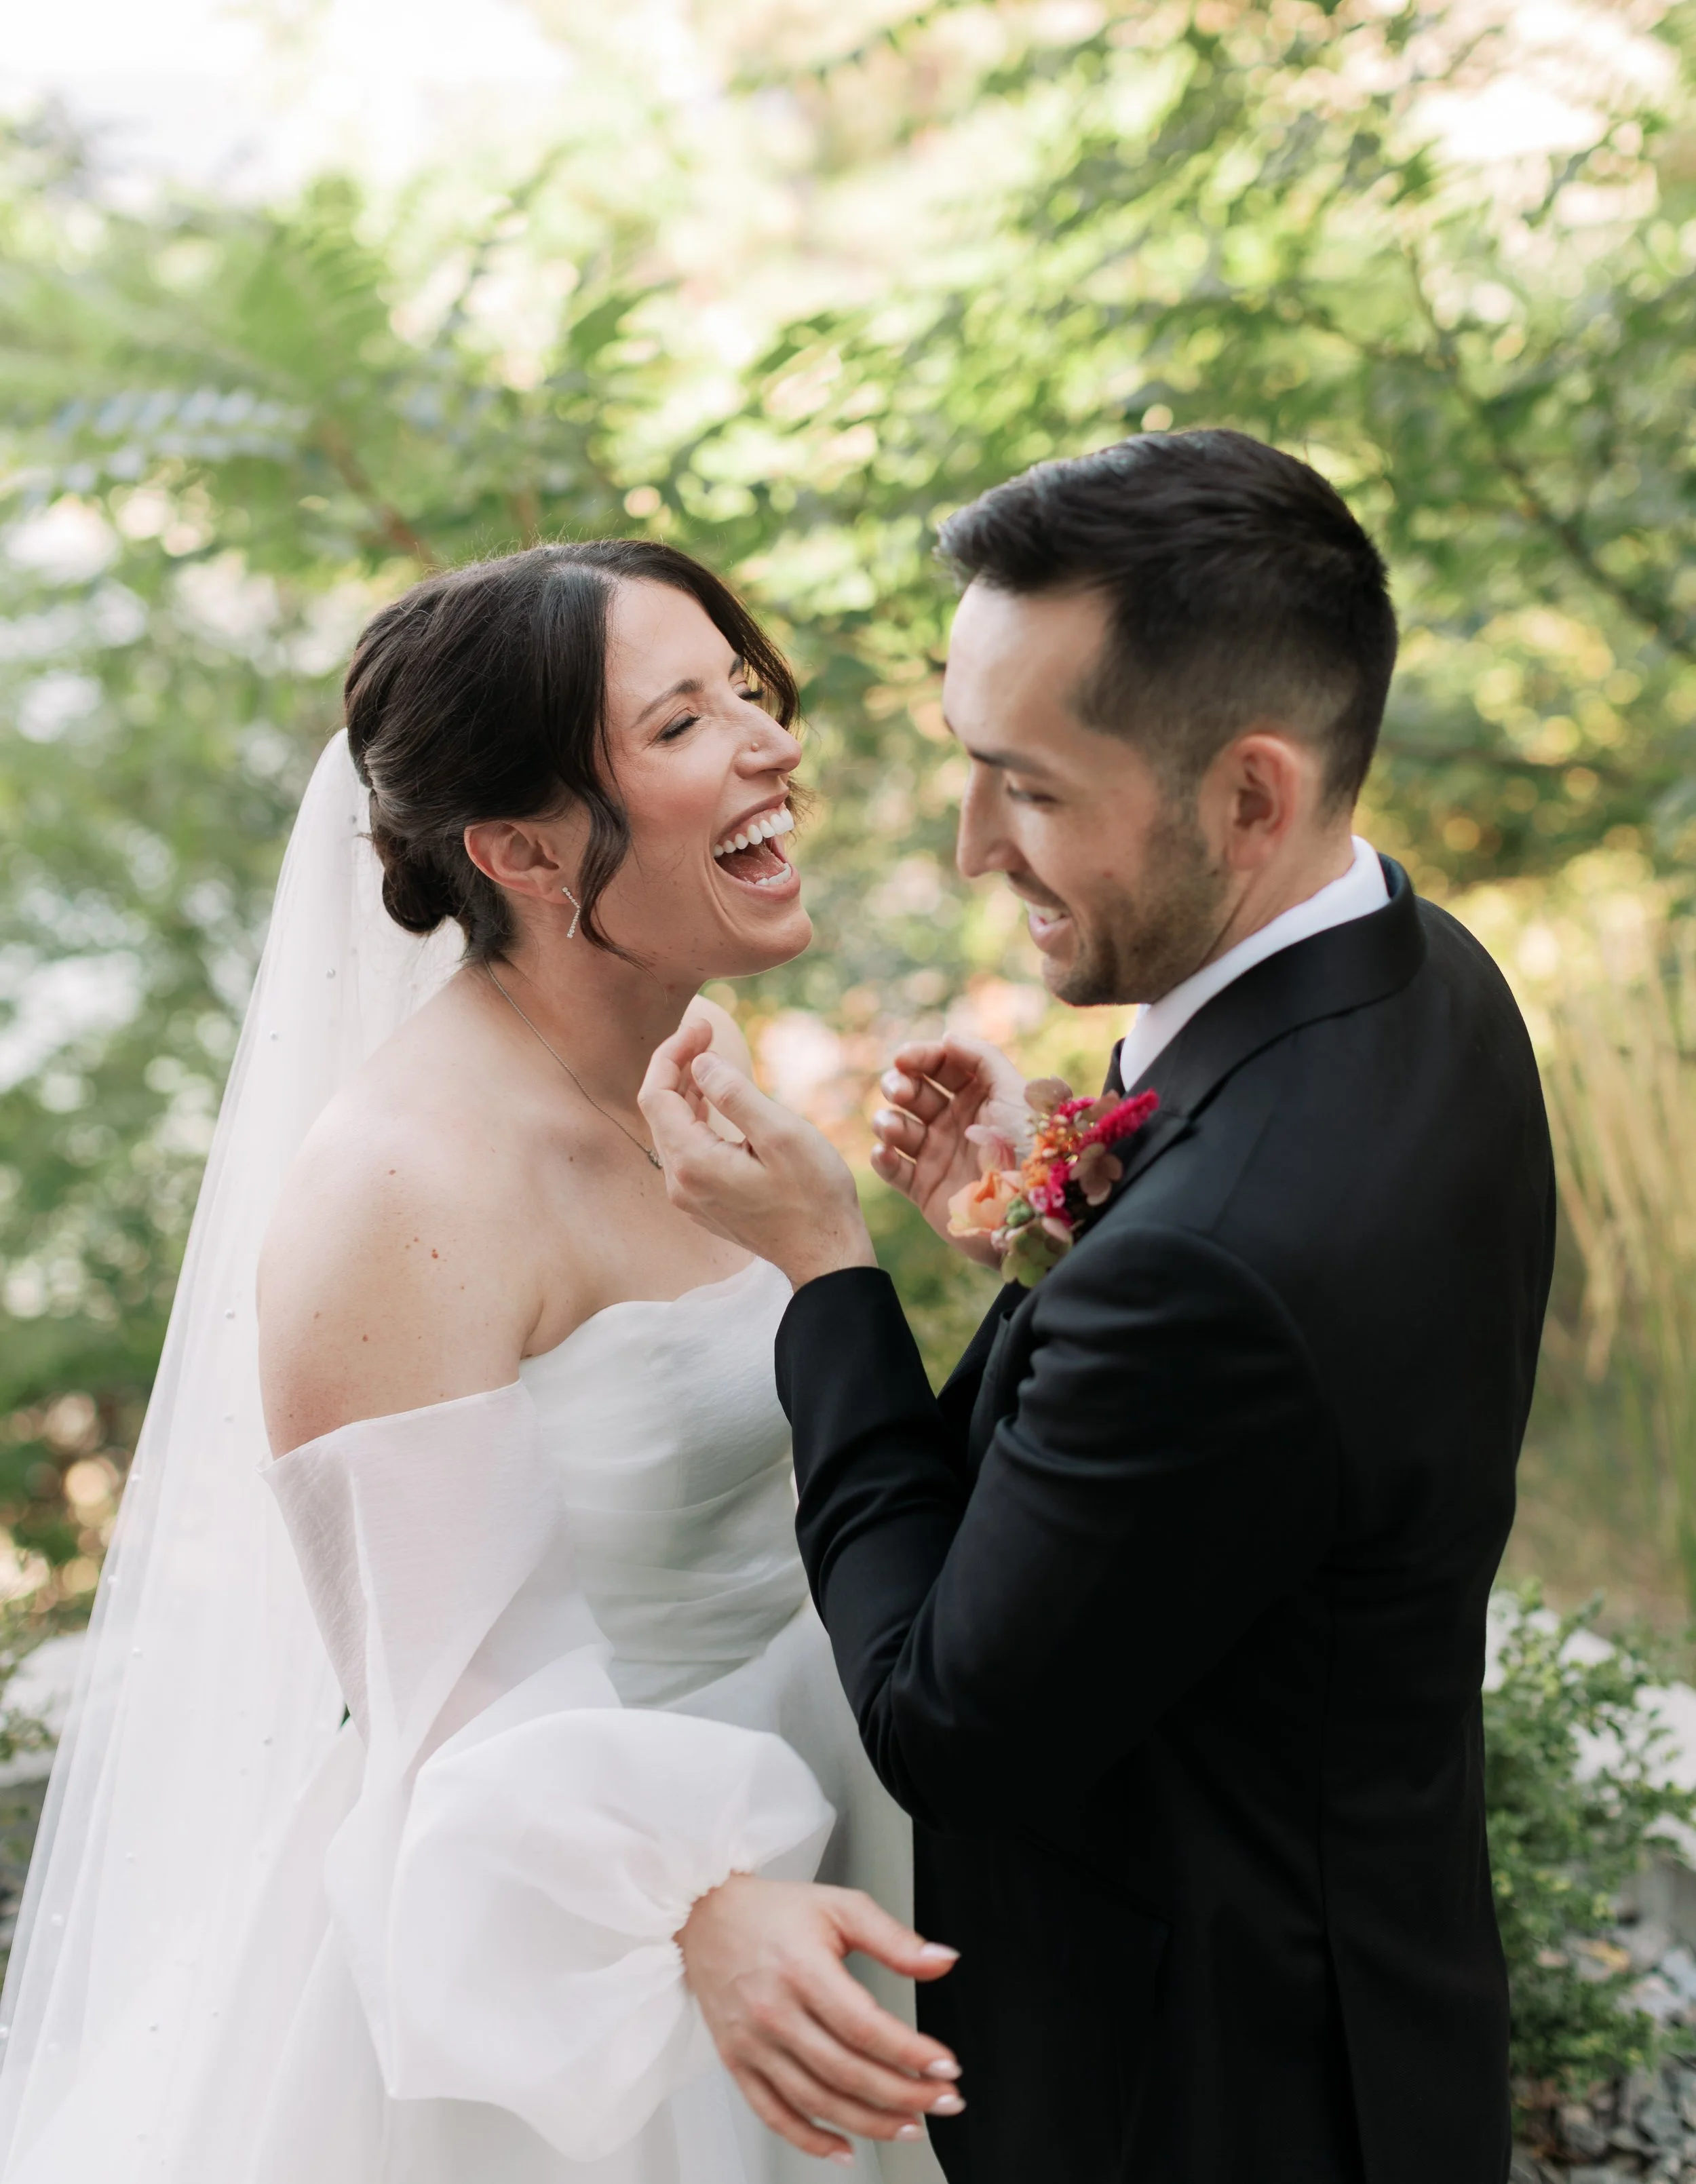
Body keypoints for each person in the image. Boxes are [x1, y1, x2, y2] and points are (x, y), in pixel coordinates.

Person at [640, 431, 1558, 2184]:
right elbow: (1277, 1396)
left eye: (1032, 788)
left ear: (1249, 796)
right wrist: (1048, 1228)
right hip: (1382, 1996)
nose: (979, 844)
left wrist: (825, 1268)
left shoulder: (1209, 1270)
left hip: (1201, 2097)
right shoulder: (1420, 974)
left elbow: (937, 1722)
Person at [0, 541, 961, 2183]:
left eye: (744, 687)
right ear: (518, 847)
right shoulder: (404, 1184)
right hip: (597, 1949)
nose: (767, 741)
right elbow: (439, 1694)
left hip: (846, 1817)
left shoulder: (689, 1064)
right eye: (679, 723)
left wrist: (1001, 1218)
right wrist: (695, 1906)